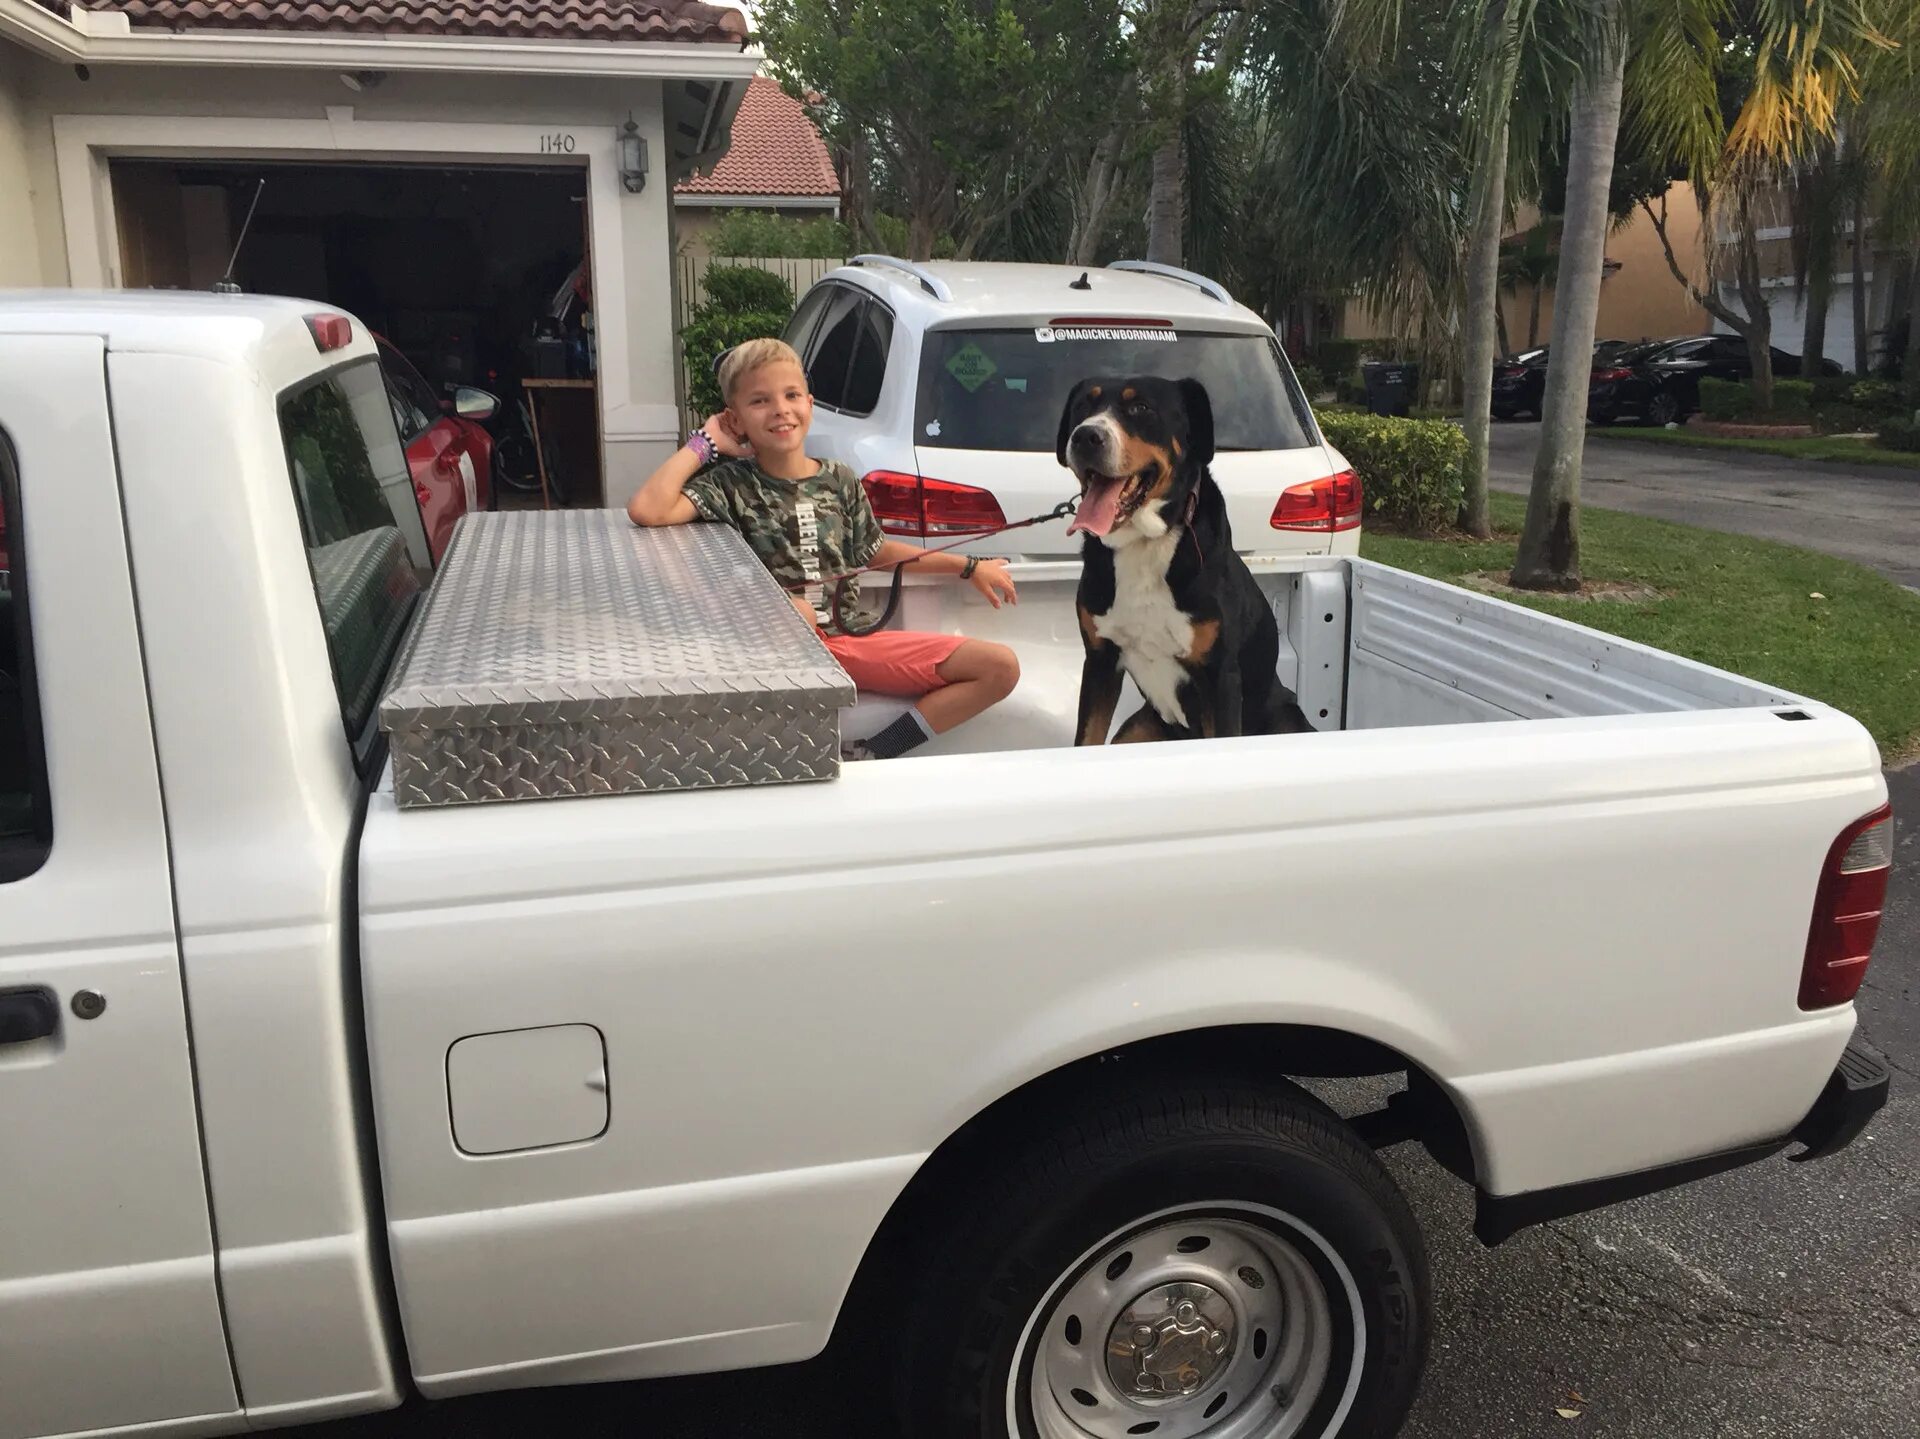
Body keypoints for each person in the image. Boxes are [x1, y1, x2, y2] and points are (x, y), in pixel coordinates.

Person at [628, 338, 1020, 760]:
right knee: (798, 611)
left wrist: (968, 566)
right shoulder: (730, 484)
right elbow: (647, 509)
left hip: (850, 639)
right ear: (735, 419)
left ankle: (876, 751)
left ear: (810, 405)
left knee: (999, 667)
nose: (780, 409)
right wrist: (705, 442)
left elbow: (875, 552)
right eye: (760, 400)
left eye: (792, 395)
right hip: (776, 645)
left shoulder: (839, 478)